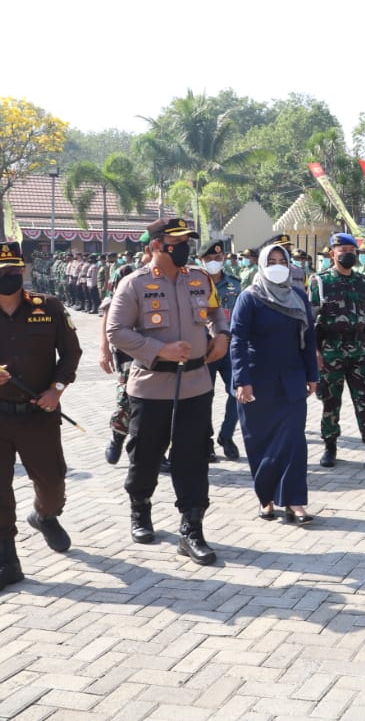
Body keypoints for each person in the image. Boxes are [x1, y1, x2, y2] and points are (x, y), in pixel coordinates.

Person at [0, 242, 82, 597]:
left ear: (24, 272)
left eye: (13, 272)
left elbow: (71, 353)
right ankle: (5, 561)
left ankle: (45, 516)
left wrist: (57, 389)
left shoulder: (49, 307)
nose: (7, 278)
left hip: (39, 414)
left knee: (51, 483)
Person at [106, 217, 230, 566]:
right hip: (151, 386)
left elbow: (216, 312)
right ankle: (140, 510)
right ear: (157, 245)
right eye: (177, 241)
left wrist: (221, 335)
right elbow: (116, 331)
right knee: (145, 456)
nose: (185, 247)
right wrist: (158, 350)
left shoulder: (199, 278)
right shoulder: (134, 284)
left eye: (187, 241)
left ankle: (191, 529)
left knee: (192, 459)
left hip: (195, 384)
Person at [231, 243, 319, 524]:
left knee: (294, 441)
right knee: (260, 441)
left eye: (283, 260)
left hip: (292, 380)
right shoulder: (250, 297)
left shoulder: (297, 296)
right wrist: (242, 380)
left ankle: (294, 501)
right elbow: (238, 341)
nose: (278, 265)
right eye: (273, 261)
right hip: (257, 381)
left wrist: (312, 374)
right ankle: (266, 498)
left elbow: (308, 338)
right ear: (262, 265)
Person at [310, 233, 365, 470]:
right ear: (332, 253)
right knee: (331, 401)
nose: (347, 254)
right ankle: (330, 446)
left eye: (352, 250)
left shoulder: (363, 281)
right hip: (331, 348)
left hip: (360, 349)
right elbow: (311, 320)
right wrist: (315, 352)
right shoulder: (319, 281)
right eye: (342, 250)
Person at [200, 241, 243, 461]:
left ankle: (226, 436)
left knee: (238, 393)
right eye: (209, 259)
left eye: (217, 259)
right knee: (203, 397)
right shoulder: (195, 284)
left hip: (230, 347)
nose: (214, 263)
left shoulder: (236, 283)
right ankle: (205, 441)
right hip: (203, 349)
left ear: (223, 258)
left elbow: (242, 315)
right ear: (201, 260)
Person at [99, 254, 142, 464]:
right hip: (128, 348)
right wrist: (104, 347)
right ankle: (118, 436)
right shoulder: (125, 272)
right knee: (127, 397)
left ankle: (156, 453)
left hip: (161, 348)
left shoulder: (174, 274)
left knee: (159, 404)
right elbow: (108, 309)